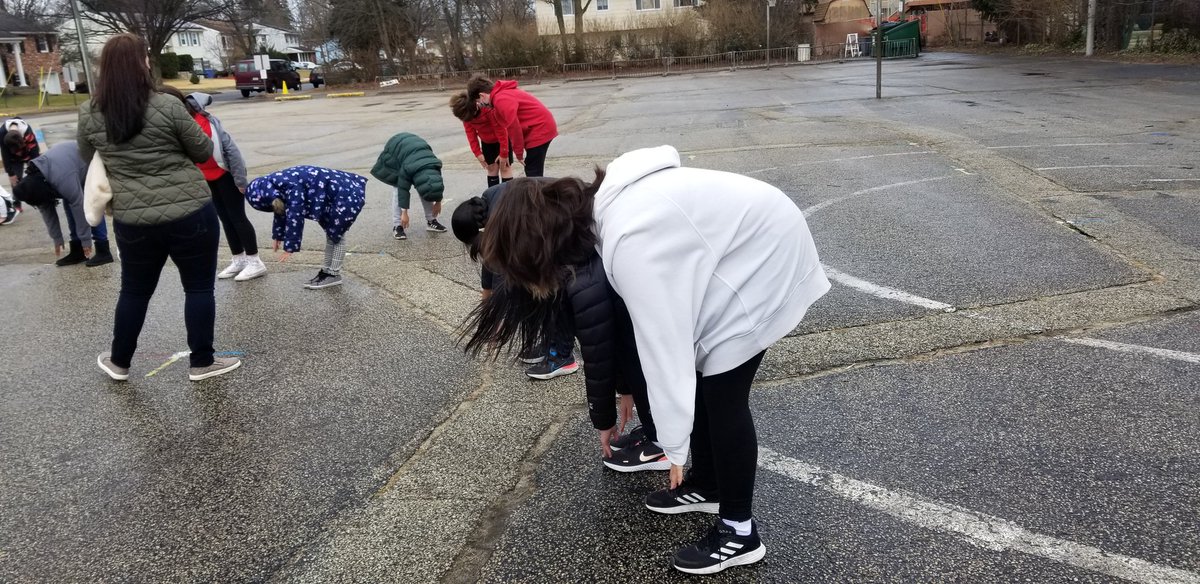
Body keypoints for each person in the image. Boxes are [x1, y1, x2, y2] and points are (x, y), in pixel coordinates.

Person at [461, 146, 830, 574]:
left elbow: (663, 344)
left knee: (723, 394)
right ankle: (709, 485)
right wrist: (633, 394)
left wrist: (672, 444)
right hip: (754, 237)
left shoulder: (629, 240)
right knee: (705, 380)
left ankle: (739, 532)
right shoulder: (604, 210)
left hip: (765, 256)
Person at [77, 33, 241, 382]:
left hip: (133, 220)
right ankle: (202, 362)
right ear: (142, 63)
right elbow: (202, 151)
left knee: (134, 290)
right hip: (190, 211)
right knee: (198, 288)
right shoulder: (167, 105)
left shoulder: (90, 113)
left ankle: (119, 361)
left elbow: (86, 156)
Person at [452, 181, 579, 380]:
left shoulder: (505, 220)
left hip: (572, 225)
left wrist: (495, 321)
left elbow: (502, 277)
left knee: (555, 291)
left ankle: (563, 356)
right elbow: (491, 266)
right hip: (558, 225)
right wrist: (487, 304)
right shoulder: (489, 203)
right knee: (540, 288)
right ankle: (551, 344)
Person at [160, 87, 266, 281]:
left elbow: (231, 151)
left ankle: (255, 261)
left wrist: (240, 179)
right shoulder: (179, 125)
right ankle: (239, 259)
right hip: (207, 178)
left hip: (225, 175)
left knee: (237, 218)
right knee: (224, 218)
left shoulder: (206, 122)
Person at [244, 165, 366, 290]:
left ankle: (333, 274)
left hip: (344, 195)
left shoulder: (290, 187)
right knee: (331, 235)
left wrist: (290, 247)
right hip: (332, 196)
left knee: (337, 236)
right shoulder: (273, 185)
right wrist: (278, 236)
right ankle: (326, 271)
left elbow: (295, 216)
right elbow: (281, 209)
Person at [11, 142, 114, 267]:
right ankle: (78, 250)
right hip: (66, 164)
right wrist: (57, 238)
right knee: (68, 203)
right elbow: (46, 209)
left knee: (91, 206)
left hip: (87, 164)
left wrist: (86, 240)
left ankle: (103, 250)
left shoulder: (61, 178)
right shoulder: (35, 183)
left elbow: (79, 206)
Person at [466, 76, 557, 178]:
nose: (480, 105)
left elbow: (513, 126)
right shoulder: (501, 94)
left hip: (540, 129)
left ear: (482, 95)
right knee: (532, 168)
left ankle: (538, 192)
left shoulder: (500, 99)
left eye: (478, 101)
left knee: (533, 171)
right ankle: (538, 191)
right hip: (540, 126)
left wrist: (518, 153)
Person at [370, 132, 446, 241]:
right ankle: (397, 226)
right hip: (395, 149)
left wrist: (438, 202)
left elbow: (436, 185)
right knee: (397, 189)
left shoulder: (435, 164)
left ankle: (431, 221)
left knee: (426, 186)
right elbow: (403, 190)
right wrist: (404, 213)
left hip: (414, 151)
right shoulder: (407, 169)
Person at [449, 91, 514, 188]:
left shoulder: (488, 110)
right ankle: (493, 197)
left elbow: (501, 131)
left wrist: (504, 153)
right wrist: (478, 153)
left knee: (505, 168)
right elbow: (471, 135)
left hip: (502, 141)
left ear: (475, 107)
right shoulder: (466, 116)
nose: (468, 120)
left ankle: (508, 198)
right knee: (491, 168)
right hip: (487, 143)